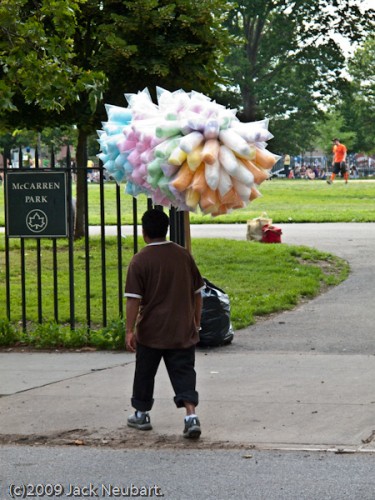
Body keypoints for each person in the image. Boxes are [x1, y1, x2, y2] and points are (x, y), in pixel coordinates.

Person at [124, 209, 205, 439]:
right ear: (166, 229)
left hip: (151, 330)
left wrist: (130, 330)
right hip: (181, 328)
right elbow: (198, 293)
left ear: (144, 232)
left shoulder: (140, 260)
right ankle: (191, 416)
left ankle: (141, 413)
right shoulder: (183, 255)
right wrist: (196, 321)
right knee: (184, 371)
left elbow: (133, 299)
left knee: (145, 372)